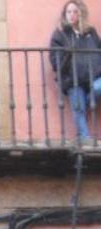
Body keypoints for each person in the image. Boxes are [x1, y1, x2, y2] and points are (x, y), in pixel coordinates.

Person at [50, 1, 101, 139]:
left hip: (94, 78)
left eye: (75, 11)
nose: (72, 15)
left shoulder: (90, 32)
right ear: (64, 15)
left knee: (93, 93)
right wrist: (68, 54)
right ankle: (86, 140)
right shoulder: (60, 35)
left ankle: (86, 101)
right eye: (69, 12)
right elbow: (55, 61)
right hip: (73, 81)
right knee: (78, 109)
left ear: (80, 13)